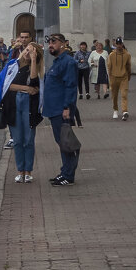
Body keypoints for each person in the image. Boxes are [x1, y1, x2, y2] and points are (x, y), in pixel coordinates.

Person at [42, 34, 80, 186]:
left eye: (54, 42)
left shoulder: (68, 62)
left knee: (66, 142)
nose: (50, 44)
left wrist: (66, 107)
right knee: (61, 141)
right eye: (49, 42)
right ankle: (65, 171)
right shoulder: (57, 61)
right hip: (54, 109)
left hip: (61, 110)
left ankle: (68, 175)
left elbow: (71, 86)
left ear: (63, 44)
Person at [5, 41, 43, 183]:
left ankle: (28, 171)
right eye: (27, 50)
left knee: (28, 139)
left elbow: (34, 82)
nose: (28, 53)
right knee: (18, 140)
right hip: (14, 104)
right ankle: (20, 170)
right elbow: (8, 85)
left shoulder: (37, 69)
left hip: (29, 106)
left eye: (32, 51)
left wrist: (33, 60)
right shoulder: (13, 65)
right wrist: (26, 88)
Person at [106, 38, 132, 121]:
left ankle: (125, 111)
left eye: (120, 44)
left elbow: (128, 66)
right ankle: (115, 110)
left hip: (123, 77)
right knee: (114, 95)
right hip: (114, 77)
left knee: (124, 94)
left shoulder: (127, 54)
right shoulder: (112, 55)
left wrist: (129, 75)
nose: (119, 45)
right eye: (117, 44)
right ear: (115, 44)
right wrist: (110, 77)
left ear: (122, 44)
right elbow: (109, 66)